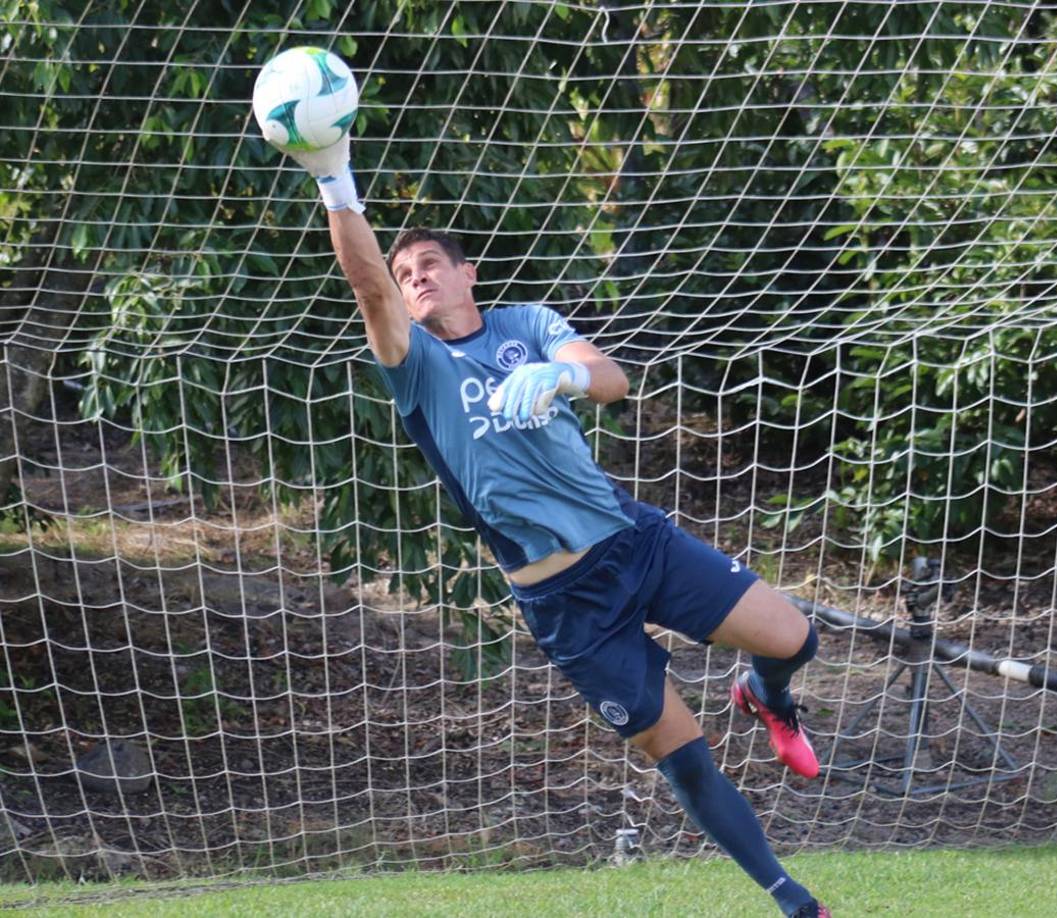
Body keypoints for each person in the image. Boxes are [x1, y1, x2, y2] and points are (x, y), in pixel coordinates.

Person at [265, 124, 831, 918]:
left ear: (468, 274)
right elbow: (367, 290)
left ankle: (765, 694)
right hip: (568, 606)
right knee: (683, 758)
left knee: (794, 638)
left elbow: (611, 377)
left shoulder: (526, 325)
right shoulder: (415, 365)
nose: (416, 279)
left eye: (429, 265)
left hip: (634, 543)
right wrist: (333, 178)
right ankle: (796, 903)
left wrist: (561, 376)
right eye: (406, 273)